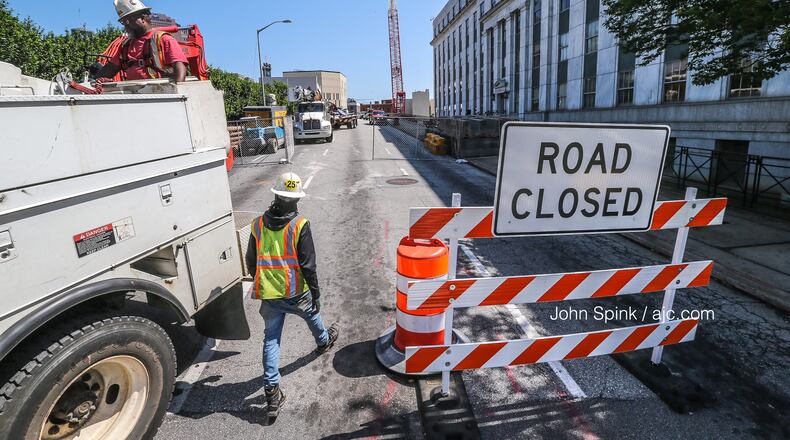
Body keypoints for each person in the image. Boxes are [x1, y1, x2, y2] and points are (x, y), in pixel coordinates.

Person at [245, 172, 339, 419]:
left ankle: (272, 390)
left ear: (276, 195)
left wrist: (262, 281)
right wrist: (316, 293)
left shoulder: (257, 224)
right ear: (296, 200)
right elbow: (308, 265)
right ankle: (323, 341)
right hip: (295, 290)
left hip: (270, 292)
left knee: (271, 339)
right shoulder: (299, 224)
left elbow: (250, 262)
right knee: (312, 313)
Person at [95, 0, 187, 83]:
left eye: (128, 20)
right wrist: (91, 83)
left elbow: (179, 67)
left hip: (159, 92)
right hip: (135, 94)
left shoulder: (163, 39)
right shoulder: (126, 46)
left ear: (143, 18)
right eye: (123, 22)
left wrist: (177, 94)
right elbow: (111, 68)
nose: (126, 26)